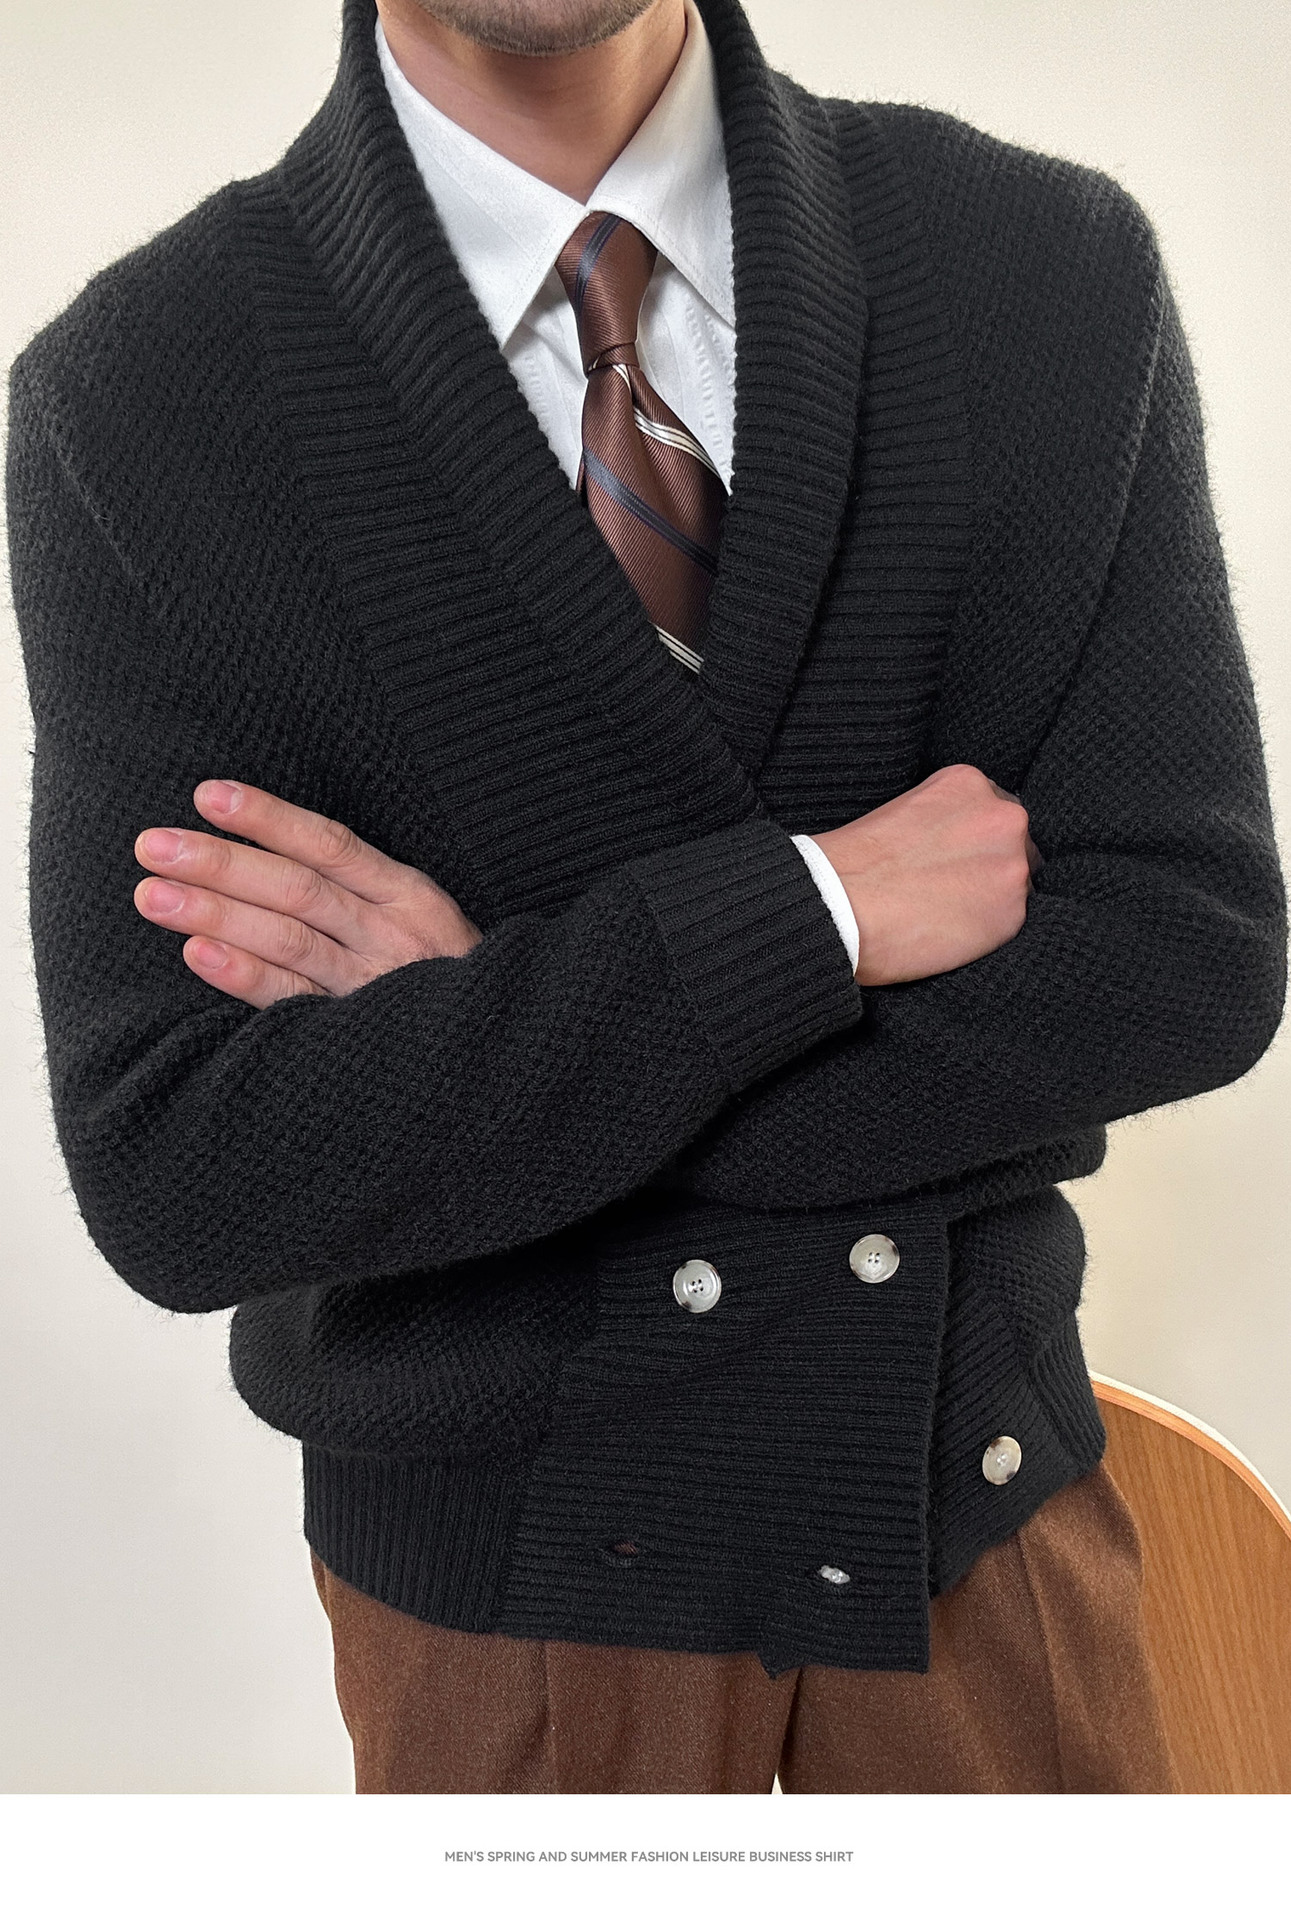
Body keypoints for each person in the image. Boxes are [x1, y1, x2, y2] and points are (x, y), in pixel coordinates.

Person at [6, 0, 1285, 1794]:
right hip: (501, 1619)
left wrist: (494, 1025)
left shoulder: (1039, 264)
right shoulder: (140, 392)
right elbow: (186, 1173)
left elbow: (1185, 957)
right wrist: (814, 915)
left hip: (981, 1538)